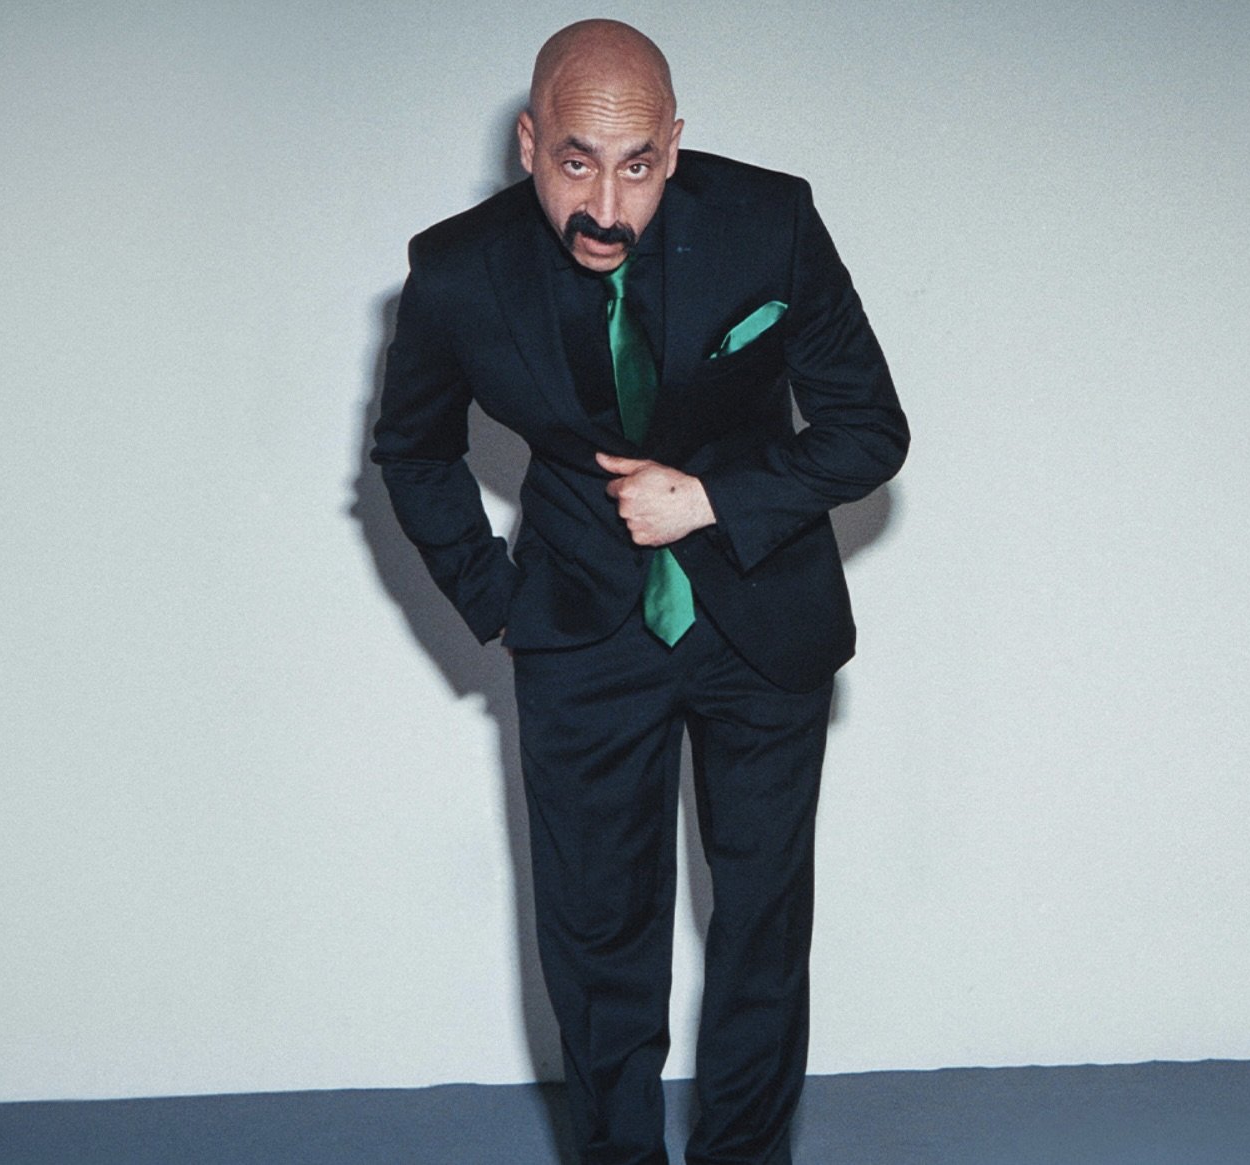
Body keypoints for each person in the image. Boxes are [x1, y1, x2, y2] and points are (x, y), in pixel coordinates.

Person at [372, 18, 908, 1165]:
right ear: (528, 144)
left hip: (762, 620)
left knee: (761, 933)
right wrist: (500, 602)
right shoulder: (458, 273)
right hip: (579, 630)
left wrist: (710, 499)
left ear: (675, 144)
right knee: (599, 944)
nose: (607, 207)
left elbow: (871, 431)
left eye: (638, 165)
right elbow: (412, 451)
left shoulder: (770, 225)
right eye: (576, 161)